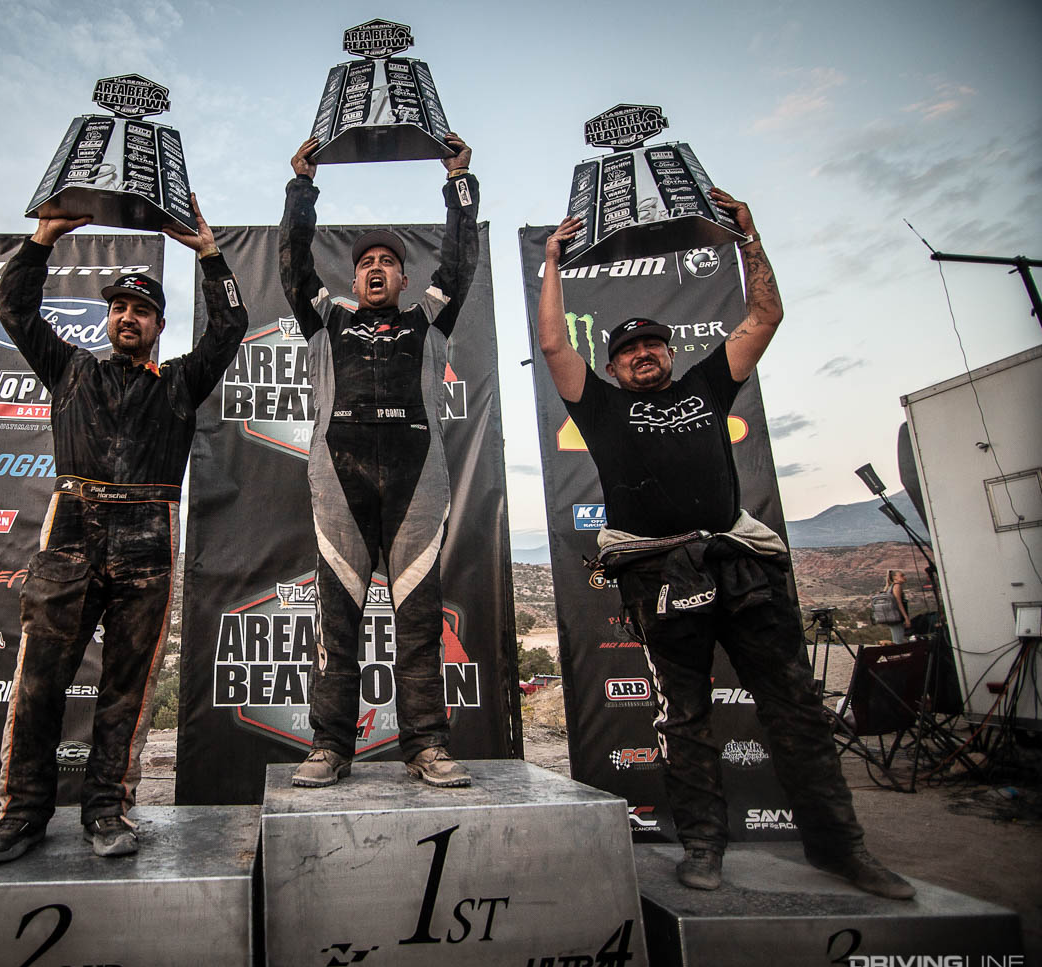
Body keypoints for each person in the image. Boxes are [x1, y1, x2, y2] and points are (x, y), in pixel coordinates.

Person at [536, 196, 914, 899]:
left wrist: (747, 235)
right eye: (626, 350)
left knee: (794, 709)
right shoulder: (599, 406)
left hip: (739, 564)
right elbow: (556, 345)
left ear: (668, 352)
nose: (640, 355)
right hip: (657, 575)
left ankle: (841, 850)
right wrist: (553, 262)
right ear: (613, 366)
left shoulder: (709, 383)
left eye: (650, 345)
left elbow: (763, 316)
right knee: (684, 717)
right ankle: (703, 847)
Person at [0, 195, 248, 863]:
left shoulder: (180, 382)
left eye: (142, 309)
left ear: (157, 323)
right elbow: (12, 309)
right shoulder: (69, 369)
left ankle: (107, 810)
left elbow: (230, 326)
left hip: (148, 538)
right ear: (107, 318)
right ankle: (22, 814)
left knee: (126, 688)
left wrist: (210, 253)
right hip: (71, 530)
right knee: (41, 681)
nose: (129, 316)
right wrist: (41, 240)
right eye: (119, 307)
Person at [278, 133, 479, 789]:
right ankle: (330, 746)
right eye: (365, 260)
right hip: (339, 476)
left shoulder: (429, 319)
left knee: (417, 623)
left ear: (402, 277)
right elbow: (291, 267)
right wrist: (302, 186)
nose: (374, 267)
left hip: (417, 476)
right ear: (353, 275)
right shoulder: (325, 320)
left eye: (387, 262)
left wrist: (457, 182)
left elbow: (460, 261)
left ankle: (424, 745)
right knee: (338, 623)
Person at [884, 569, 912, 642]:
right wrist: (906, 618)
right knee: (899, 640)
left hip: (891, 617)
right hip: (896, 617)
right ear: (894, 577)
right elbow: (898, 602)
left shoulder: (890, 587)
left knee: (897, 638)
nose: (904, 577)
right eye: (901, 575)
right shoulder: (897, 586)